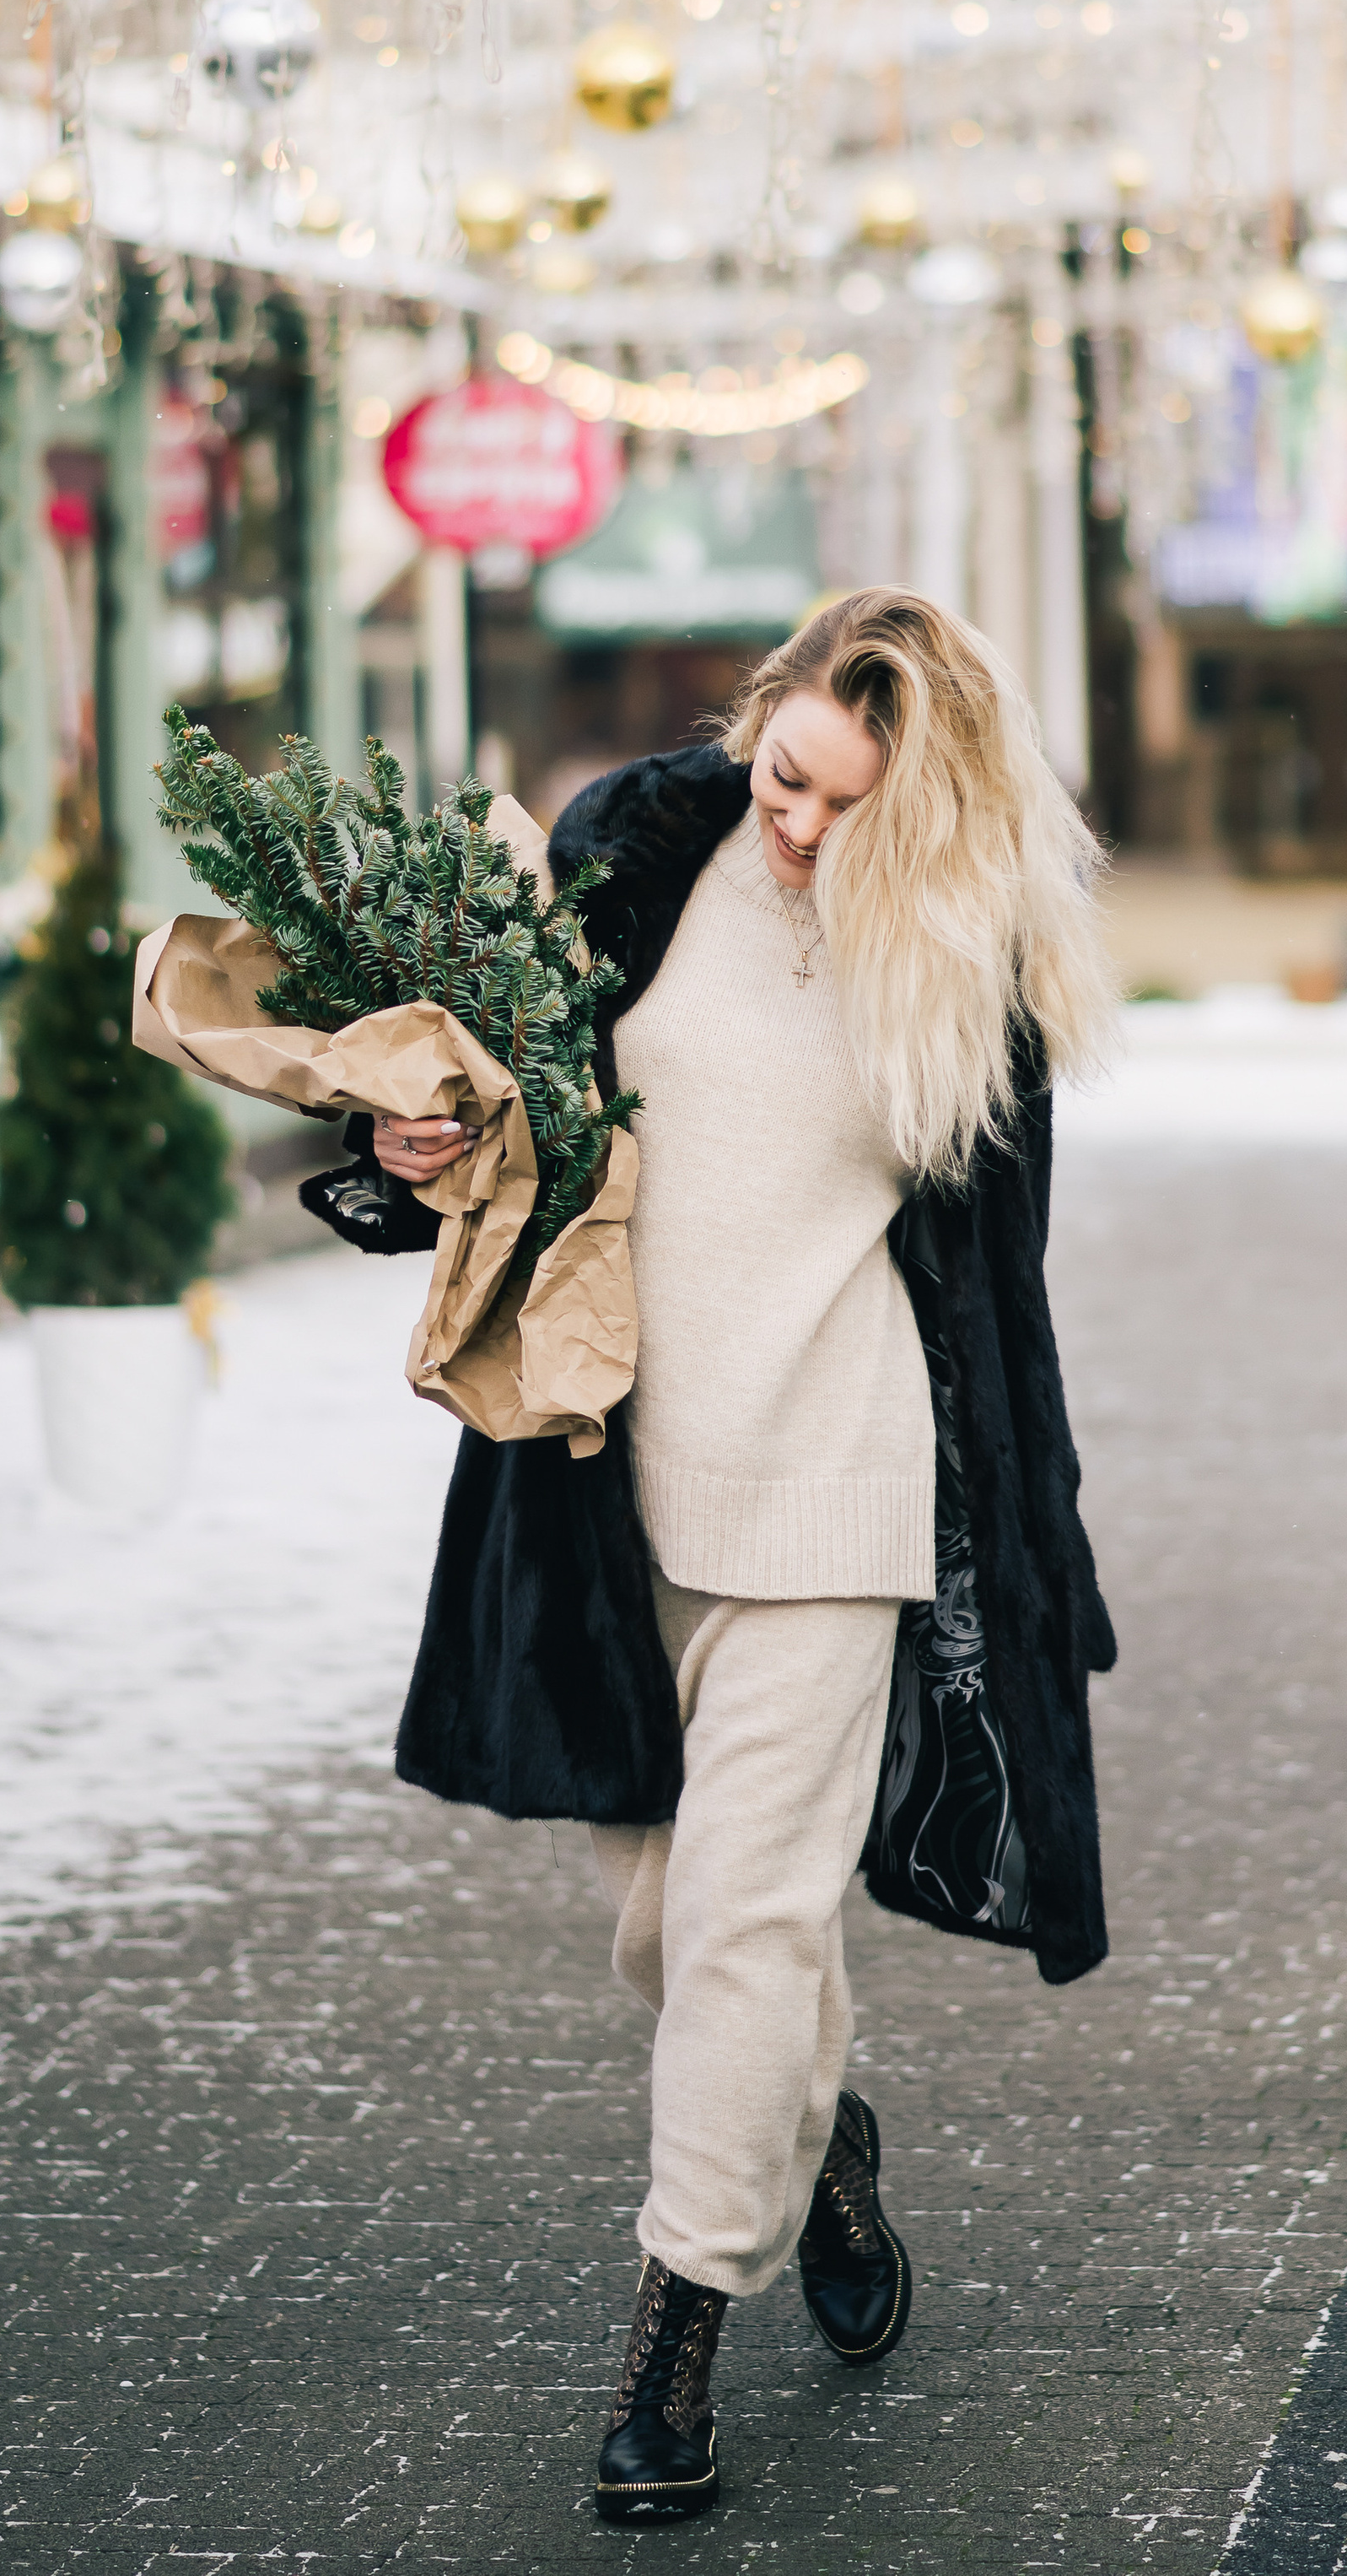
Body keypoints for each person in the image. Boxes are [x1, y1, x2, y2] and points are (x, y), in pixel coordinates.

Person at [304, 589, 1120, 2525]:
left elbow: (992, 1296)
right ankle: (819, 2140)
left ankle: (673, 2335)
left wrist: (1032, 1545)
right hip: (612, 1484)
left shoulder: (957, 957)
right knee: (661, 1935)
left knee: (748, 1925)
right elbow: (491, 1120)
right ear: (748, 722)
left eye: (856, 804)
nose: (803, 829)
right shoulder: (623, 856)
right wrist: (408, 1149)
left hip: (833, 1494)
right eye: (786, 777)